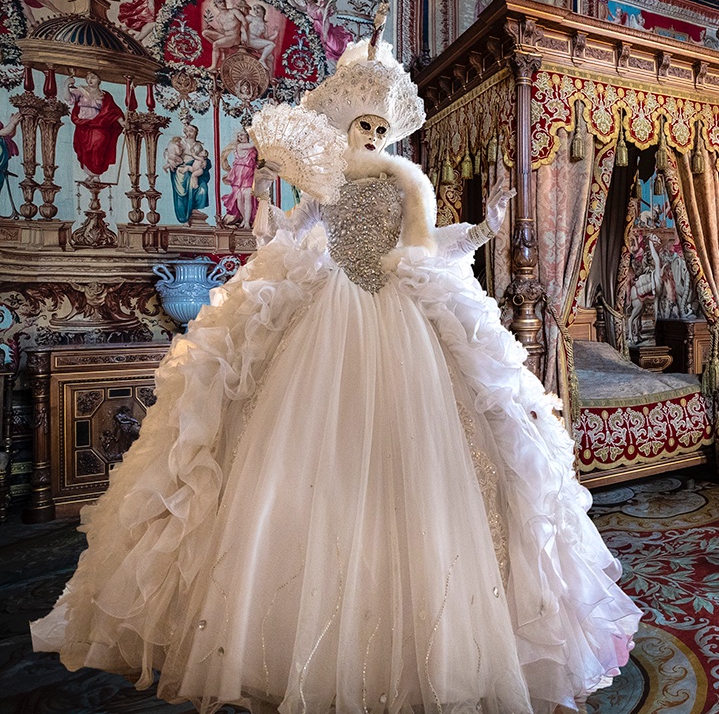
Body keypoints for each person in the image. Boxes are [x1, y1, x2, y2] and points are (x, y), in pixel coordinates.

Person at [31, 37, 641, 713]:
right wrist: (267, 194)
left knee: (423, 455)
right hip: (329, 311)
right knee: (298, 446)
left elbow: (423, 245)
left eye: (383, 128)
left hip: (400, 314)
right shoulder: (324, 179)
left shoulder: (408, 182)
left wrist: (484, 227)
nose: (374, 137)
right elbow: (289, 234)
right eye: (365, 126)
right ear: (346, 126)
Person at [66, 71, 124, 180]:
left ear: (99, 80)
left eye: (93, 77)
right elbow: (68, 98)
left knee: (98, 148)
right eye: (87, 77)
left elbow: (113, 110)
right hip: (83, 126)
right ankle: (90, 174)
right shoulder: (81, 91)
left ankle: (96, 174)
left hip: (99, 126)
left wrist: (122, 122)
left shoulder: (105, 95)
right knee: (85, 150)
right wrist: (66, 84)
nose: (90, 80)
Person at [219, 127, 258, 227]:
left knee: (247, 197)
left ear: (247, 135)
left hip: (248, 175)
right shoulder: (241, 146)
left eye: (242, 134)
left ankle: (246, 222)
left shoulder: (253, 149)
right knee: (239, 198)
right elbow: (251, 144)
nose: (240, 137)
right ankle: (245, 219)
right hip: (239, 177)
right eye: (239, 136)